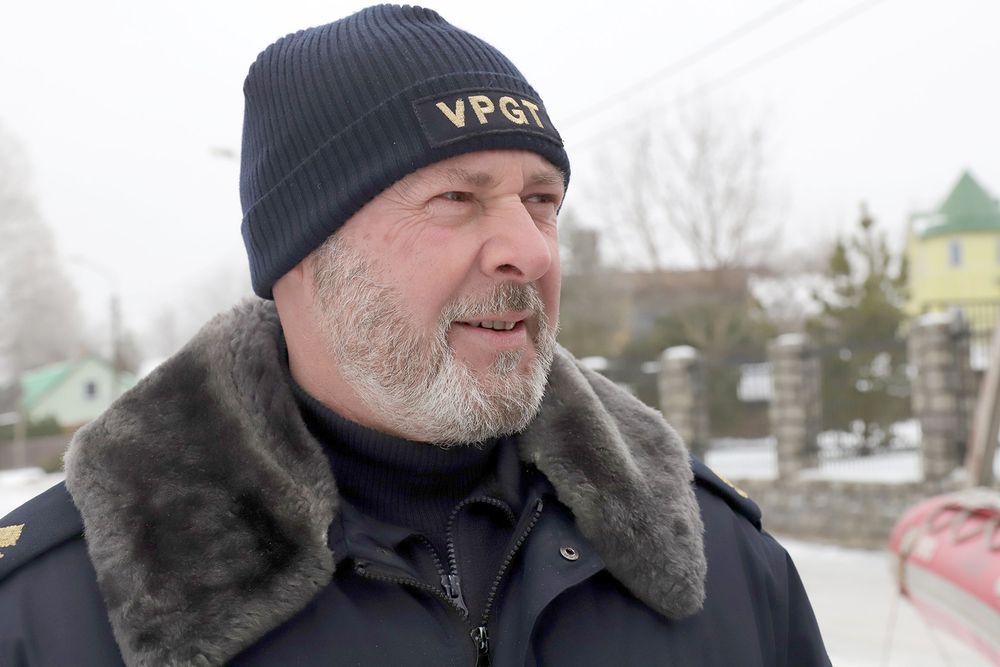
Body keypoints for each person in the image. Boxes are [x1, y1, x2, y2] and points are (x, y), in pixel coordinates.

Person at [0, 5, 831, 666]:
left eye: (541, 200)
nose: (533, 250)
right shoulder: (60, 611)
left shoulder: (713, 556)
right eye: (457, 199)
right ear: (303, 256)